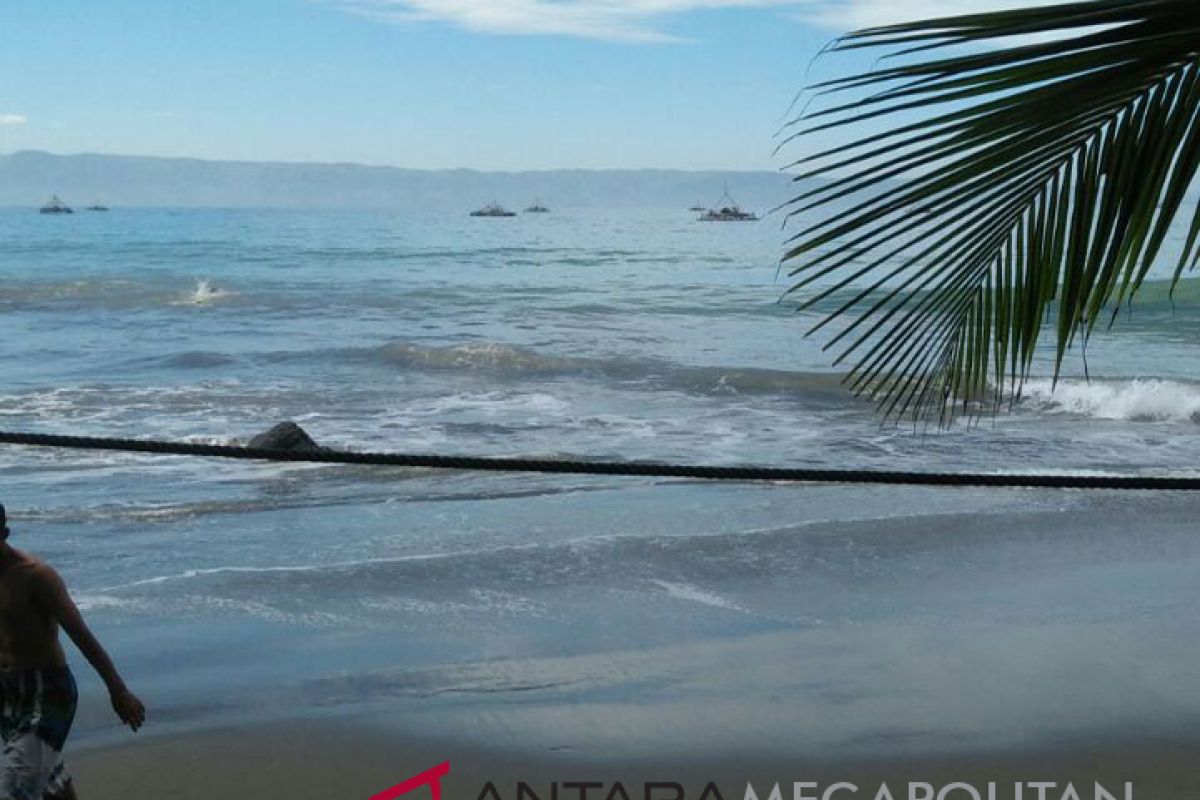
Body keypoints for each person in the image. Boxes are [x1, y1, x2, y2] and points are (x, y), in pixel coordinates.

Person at [0, 503, 144, 799]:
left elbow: (80, 634)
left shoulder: (35, 576)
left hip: (47, 691)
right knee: (49, 780)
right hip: (6, 692)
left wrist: (118, 690)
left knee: (15, 785)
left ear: (3, 533)